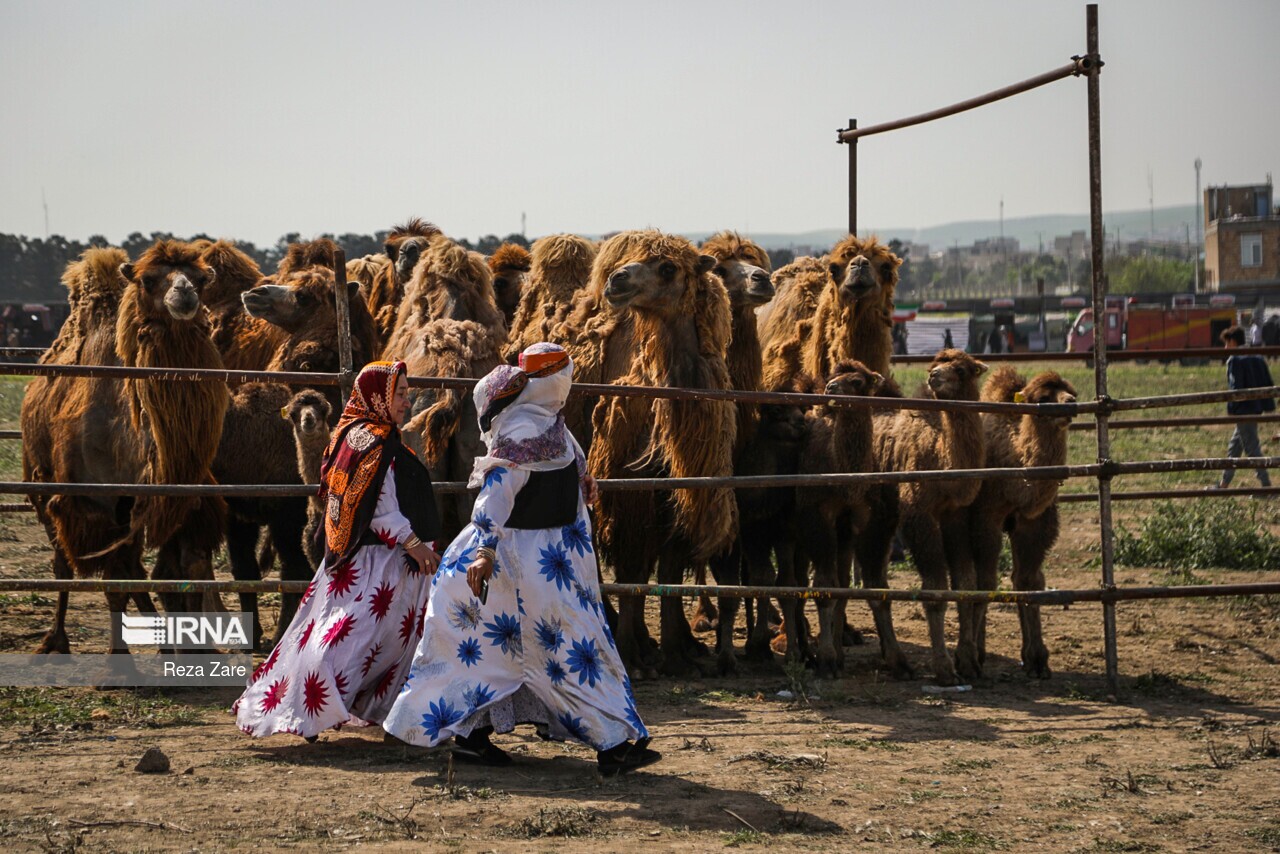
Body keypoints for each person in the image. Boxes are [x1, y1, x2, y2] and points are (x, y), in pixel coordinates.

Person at [383, 343, 659, 777]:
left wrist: (584, 484)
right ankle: (613, 745)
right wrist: (484, 551)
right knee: (567, 647)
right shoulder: (521, 431)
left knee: (508, 651)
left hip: (549, 564)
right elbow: (496, 494)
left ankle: (475, 740)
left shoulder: (551, 423)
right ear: (553, 381)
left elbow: (569, 468)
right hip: (518, 565)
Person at [234, 361, 442, 740]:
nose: (406, 402)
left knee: (368, 642)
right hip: (373, 567)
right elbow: (377, 504)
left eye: (406, 393)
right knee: (349, 641)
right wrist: (413, 543)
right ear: (378, 397)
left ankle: (351, 710)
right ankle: (306, 708)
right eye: (399, 394)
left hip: (374, 564)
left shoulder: (362, 434)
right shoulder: (370, 441)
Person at [1216, 326, 1275, 489]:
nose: (1225, 348)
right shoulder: (1257, 356)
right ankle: (1224, 484)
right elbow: (1268, 382)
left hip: (1243, 410)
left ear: (1232, 342)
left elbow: (1236, 389)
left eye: (1226, 343)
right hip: (1256, 408)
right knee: (1234, 447)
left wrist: (1232, 408)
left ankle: (1266, 486)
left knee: (1252, 448)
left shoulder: (1234, 359)